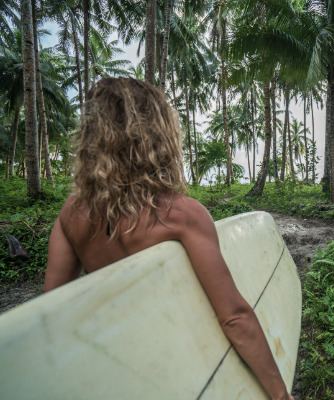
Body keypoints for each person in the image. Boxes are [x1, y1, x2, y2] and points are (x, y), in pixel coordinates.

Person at [44, 77, 294, 400]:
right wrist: (280, 395)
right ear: (158, 136)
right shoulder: (181, 215)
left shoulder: (71, 214)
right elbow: (234, 317)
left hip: (116, 369)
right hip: (180, 364)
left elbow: (51, 314)